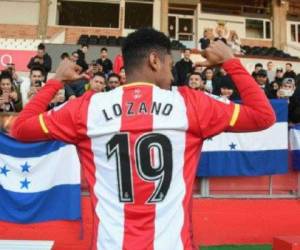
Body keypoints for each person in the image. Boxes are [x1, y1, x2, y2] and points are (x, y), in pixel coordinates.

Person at [11, 28, 275, 250]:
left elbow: (20, 128)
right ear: (154, 60)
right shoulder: (190, 103)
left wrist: (56, 81)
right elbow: (264, 116)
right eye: (171, 65)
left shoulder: (87, 107)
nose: (173, 74)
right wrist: (230, 62)